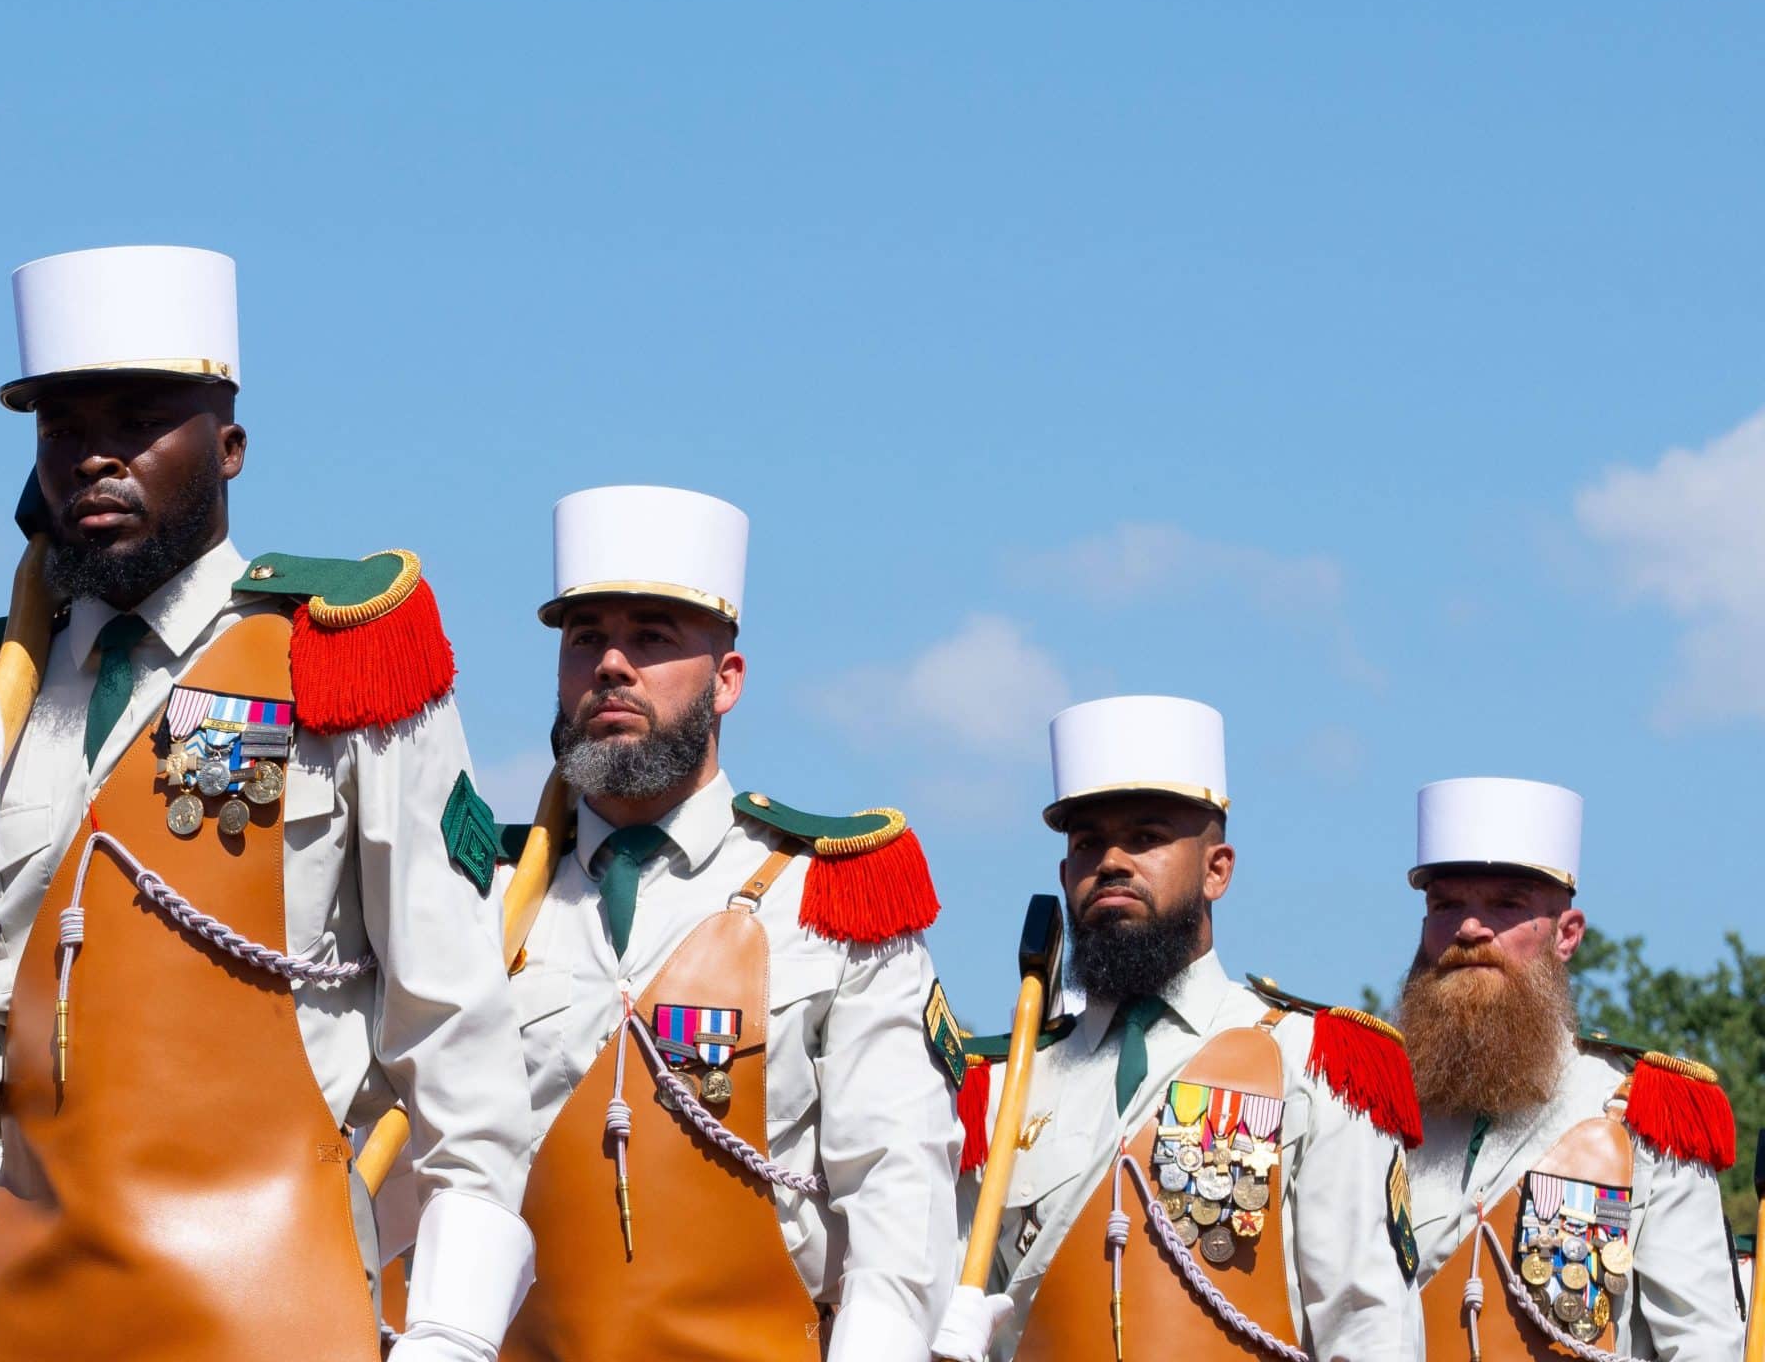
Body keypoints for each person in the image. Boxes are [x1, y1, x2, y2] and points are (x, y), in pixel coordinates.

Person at [0, 245, 535, 1362]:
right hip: (9, 1285)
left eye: (141, 419)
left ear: (231, 447)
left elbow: (457, 1034)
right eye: (62, 429)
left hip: (260, 1292)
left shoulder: (340, 657)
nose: (97, 456)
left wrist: (450, 1322)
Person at [488, 485, 961, 1359]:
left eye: (654, 637)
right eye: (585, 637)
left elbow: (897, 1192)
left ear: (728, 680)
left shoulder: (826, 897)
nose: (612, 665)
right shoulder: (482, 894)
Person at [939, 695, 1425, 1361]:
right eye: (1087, 843)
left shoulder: (1309, 1061)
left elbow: (1367, 1327)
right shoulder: (1000, 1085)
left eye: (1145, 837)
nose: (1111, 861)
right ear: (1064, 875)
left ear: (1216, 870)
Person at [1396, 776, 1743, 1358]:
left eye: (1507, 906)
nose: (1471, 928)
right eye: (1446, 904)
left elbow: (1702, 1344)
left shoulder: (1645, 1115)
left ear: (1567, 936)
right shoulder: (1369, 1111)